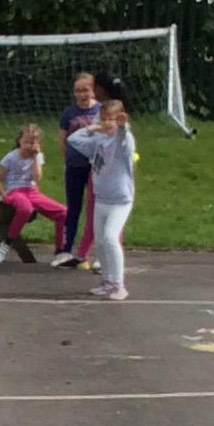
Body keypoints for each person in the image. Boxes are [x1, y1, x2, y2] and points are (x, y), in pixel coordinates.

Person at [0, 122, 66, 263]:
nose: (28, 146)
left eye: (32, 143)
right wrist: (3, 193)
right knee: (26, 209)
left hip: (31, 190)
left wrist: (35, 158)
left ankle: (60, 250)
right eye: (26, 142)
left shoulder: (37, 156)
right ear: (19, 141)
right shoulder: (11, 157)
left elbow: (37, 178)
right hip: (15, 191)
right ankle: (6, 243)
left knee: (63, 212)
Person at [85, 98, 136, 299]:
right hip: (102, 198)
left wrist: (122, 127)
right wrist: (94, 128)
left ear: (120, 119)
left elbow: (125, 142)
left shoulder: (125, 138)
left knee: (110, 238)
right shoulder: (99, 139)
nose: (107, 123)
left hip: (120, 200)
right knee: (100, 242)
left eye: (111, 119)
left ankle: (118, 285)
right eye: (104, 119)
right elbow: (75, 139)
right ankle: (106, 281)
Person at [56, 71, 103, 267]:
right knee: (73, 207)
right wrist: (68, 158)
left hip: (95, 168)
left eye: (86, 90)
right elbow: (63, 140)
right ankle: (66, 249)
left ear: (93, 90)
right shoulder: (69, 113)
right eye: (78, 90)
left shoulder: (101, 111)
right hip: (74, 165)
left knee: (97, 209)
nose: (82, 94)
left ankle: (98, 253)